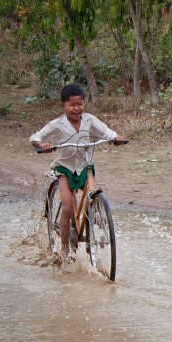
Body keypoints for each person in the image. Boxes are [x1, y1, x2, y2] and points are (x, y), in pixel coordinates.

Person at [30, 84, 125, 260]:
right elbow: (35, 137)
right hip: (64, 168)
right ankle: (65, 248)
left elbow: (105, 131)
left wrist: (115, 137)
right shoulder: (56, 125)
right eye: (72, 105)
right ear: (63, 106)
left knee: (95, 190)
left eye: (79, 104)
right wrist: (41, 145)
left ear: (84, 103)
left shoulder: (89, 120)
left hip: (84, 165)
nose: (76, 108)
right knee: (67, 207)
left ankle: (97, 213)